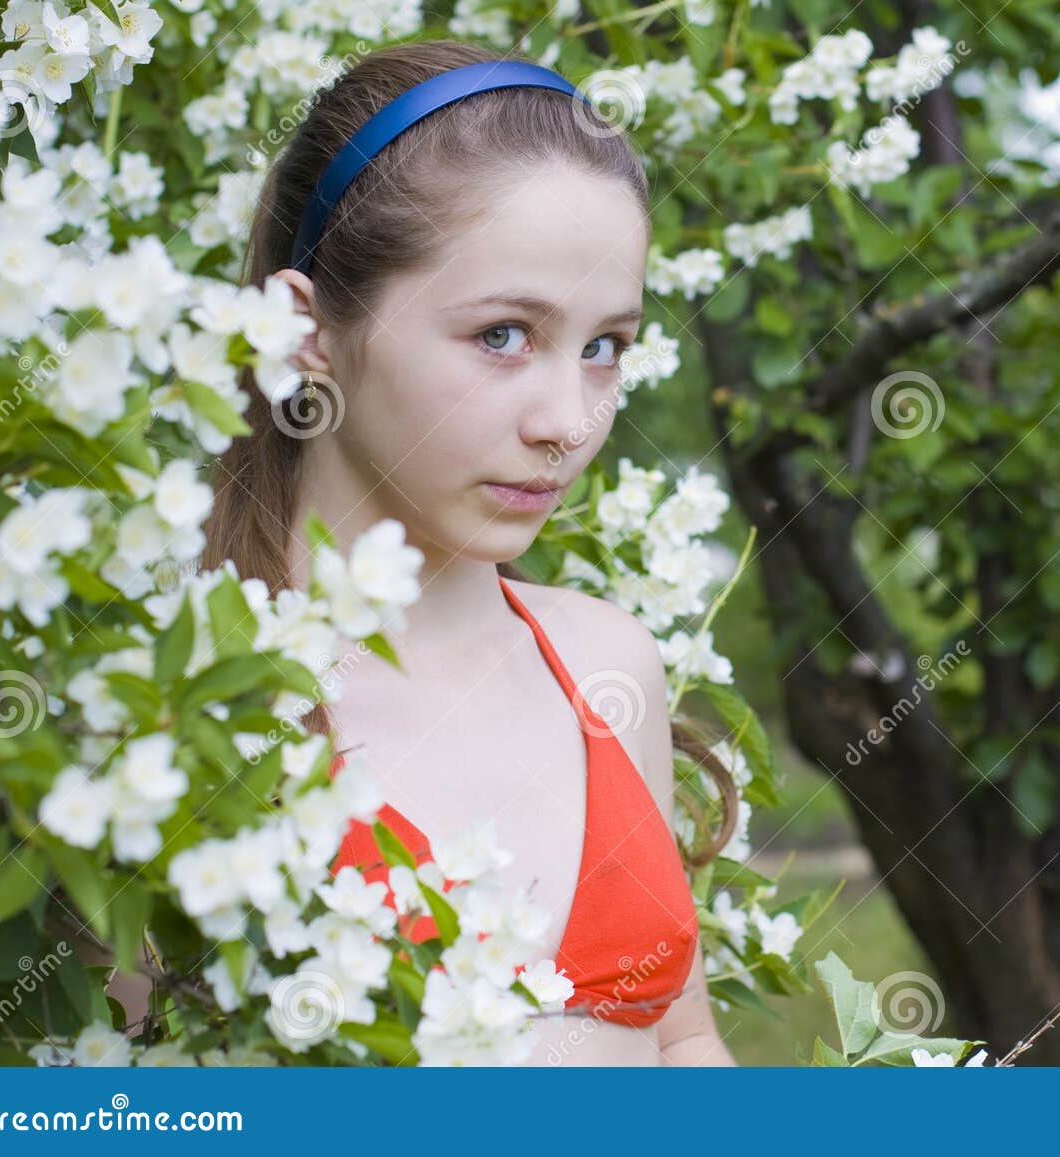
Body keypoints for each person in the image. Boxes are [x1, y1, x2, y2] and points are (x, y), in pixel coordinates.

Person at [188, 39, 739, 1066]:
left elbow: (681, 1037)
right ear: (308, 331)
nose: (568, 422)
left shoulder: (610, 668)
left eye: (604, 345)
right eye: (501, 335)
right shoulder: (192, 705)